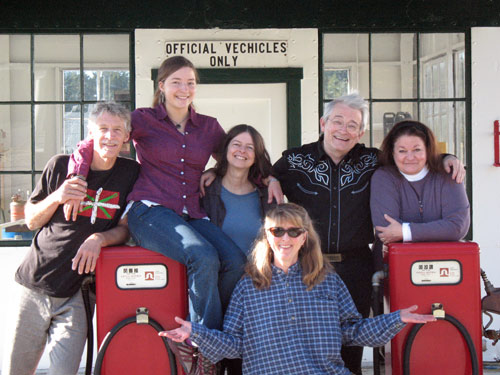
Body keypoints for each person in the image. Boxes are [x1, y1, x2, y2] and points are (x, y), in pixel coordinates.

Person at [65, 56, 247, 375]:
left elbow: (238, 154)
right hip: (149, 210)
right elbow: (96, 138)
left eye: (190, 83)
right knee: (202, 256)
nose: (184, 89)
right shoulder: (142, 119)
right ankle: (201, 351)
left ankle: (223, 338)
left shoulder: (209, 126)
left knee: (234, 260)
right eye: (176, 82)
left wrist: (261, 177)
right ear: (161, 86)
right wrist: (77, 174)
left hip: (192, 213)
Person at [270, 93, 465, 374]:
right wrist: (267, 178)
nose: (344, 130)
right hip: (306, 264)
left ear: (361, 132)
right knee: (304, 344)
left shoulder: (374, 161)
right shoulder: (294, 161)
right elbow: (256, 171)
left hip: (356, 267)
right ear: (323, 123)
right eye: (338, 121)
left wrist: (447, 157)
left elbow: (409, 156)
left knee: (352, 343)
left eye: (353, 125)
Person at [159, 203, 436, 375]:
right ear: (267, 236)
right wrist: (194, 333)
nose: (285, 238)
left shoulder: (326, 279)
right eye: (277, 231)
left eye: (293, 232)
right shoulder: (249, 285)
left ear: (304, 237)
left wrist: (395, 319)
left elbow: (352, 331)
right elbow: (235, 344)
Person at [1, 102, 139, 375]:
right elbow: (31, 220)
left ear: (126, 136)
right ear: (90, 132)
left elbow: (126, 229)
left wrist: (99, 239)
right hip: (34, 283)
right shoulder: (61, 165)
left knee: (65, 371)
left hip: (76, 293)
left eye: (117, 130)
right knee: (17, 370)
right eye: (103, 129)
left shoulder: (130, 173)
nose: (109, 136)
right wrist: (58, 196)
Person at [200, 124, 274, 375]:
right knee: (214, 360)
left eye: (249, 147)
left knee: (247, 363)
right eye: (237, 145)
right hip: (217, 291)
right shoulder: (206, 189)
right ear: (225, 149)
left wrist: (272, 178)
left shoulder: (265, 194)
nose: (242, 151)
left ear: (256, 155)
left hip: (255, 293)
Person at [370, 120, 470, 245]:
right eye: (402, 151)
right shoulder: (383, 178)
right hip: (393, 261)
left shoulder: (448, 173)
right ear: (392, 152)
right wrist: (439, 230)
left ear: (428, 150)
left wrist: (405, 231)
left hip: (442, 260)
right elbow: (385, 230)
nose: (410, 157)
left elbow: (458, 226)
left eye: (417, 150)